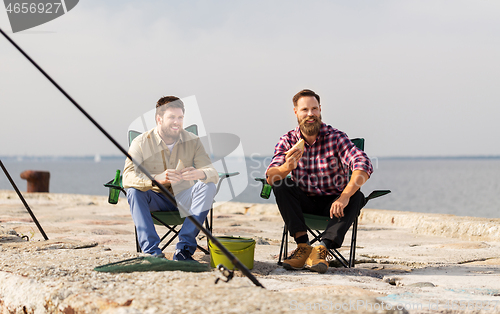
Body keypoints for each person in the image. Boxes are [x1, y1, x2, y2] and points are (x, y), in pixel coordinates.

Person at [266, 89, 373, 273]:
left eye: (314, 109)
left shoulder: (336, 137)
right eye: (305, 109)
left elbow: (362, 164)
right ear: (296, 112)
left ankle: (322, 249)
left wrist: (344, 196)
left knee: (357, 195)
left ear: (320, 110)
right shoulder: (288, 140)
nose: (310, 114)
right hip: (303, 203)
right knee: (281, 183)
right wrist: (286, 168)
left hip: (333, 205)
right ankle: (303, 246)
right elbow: (271, 176)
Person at [123, 96, 218, 261]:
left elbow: (212, 171)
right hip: (155, 199)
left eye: (180, 117)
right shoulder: (141, 143)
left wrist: (200, 173)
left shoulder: (193, 141)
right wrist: (155, 179)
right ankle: (152, 253)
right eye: (172, 117)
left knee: (208, 186)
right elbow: (127, 176)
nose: (177, 122)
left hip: (184, 198)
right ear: (159, 119)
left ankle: (183, 250)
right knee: (133, 191)